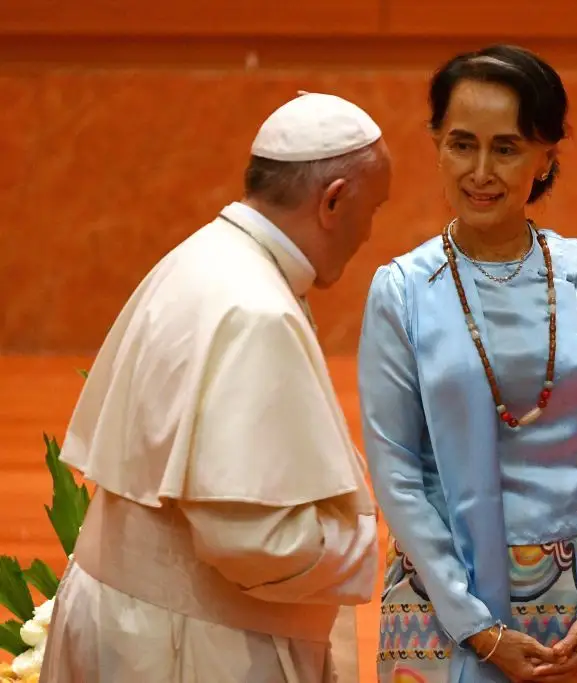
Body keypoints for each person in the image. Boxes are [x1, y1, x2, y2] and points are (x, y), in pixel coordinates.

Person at [39, 92, 391, 683]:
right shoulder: (255, 308)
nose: (367, 233)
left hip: (133, 622)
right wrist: (363, 534)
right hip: (187, 649)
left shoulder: (203, 256)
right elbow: (255, 541)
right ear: (333, 201)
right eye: (372, 209)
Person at [358, 45, 577, 683]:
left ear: (548, 155)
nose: (481, 171)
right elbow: (396, 470)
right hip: (441, 600)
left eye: (507, 148)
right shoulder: (403, 289)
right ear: (436, 143)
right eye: (462, 144)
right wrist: (477, 627)